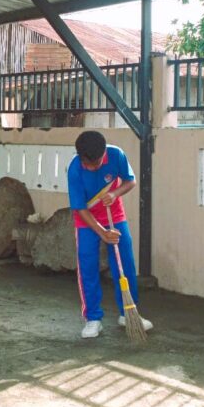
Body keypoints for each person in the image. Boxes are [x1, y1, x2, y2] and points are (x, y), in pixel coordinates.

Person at [67, 130, 153, 339]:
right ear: (80, 157)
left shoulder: (116, 155)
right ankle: (93, 319)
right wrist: (102, 232)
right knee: (88, 267)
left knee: (125, 264)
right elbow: (80, 208)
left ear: (104, 153)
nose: (92, 168)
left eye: (96, 163)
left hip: (114, 216)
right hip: (87, 220)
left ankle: (128, 312)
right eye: (88, 164)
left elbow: (130, 180)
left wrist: (114, 194)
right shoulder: (75, 168)